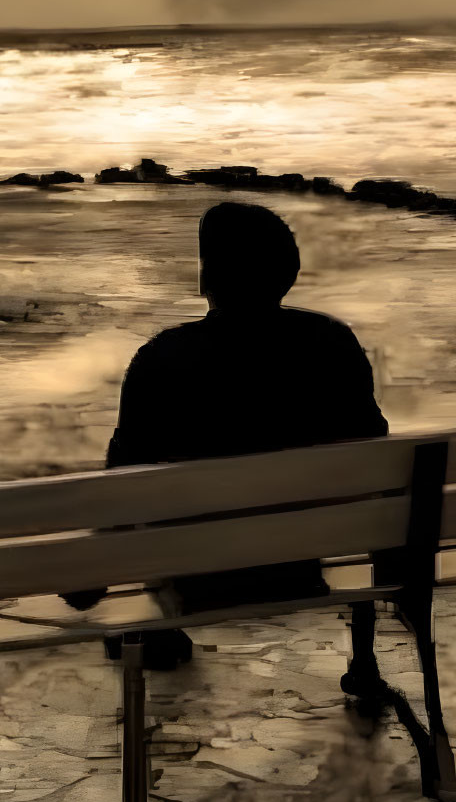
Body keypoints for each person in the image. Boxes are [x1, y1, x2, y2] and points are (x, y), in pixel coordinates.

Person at [64, 200, 390, 674]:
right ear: (288, 273)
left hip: (197, 577)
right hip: (299, 566)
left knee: (147, 498)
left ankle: (153, 626)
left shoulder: (163, 357)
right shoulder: (331, 342)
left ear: (207, 277)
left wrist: (89, 576)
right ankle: (363, 661)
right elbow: (373, 448)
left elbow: (123, 484)